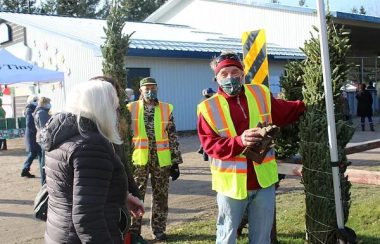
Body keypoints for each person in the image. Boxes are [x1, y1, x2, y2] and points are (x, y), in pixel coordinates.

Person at [197, 51, 305, 244]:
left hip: (263, 183)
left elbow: (282, 111)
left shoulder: (260, 93)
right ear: (216, 78)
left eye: (235, 72)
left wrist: (309, 104)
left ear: (243, 73)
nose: (230, 77)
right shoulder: (208, 108)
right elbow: (210, 145)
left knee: (262, 238)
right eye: (224, 73)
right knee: (227, 236)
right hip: (231, 186)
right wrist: (240, 141)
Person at [41, 79, 144, 243]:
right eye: (114, 106)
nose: (117, 113)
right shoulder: (91, 146)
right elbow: (87, 218)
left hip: (59, 233)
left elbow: (73, 191)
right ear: (102, 107)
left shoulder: (64, 136)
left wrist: (121, 196)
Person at [128, 77, 183, 241]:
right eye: (147, 89)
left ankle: (159, 230)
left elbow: (172, 135)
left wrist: (175, 162)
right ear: (141, 91)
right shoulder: (130, 108)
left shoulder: (166, 108)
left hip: (161, 160)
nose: (150, 91)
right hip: (138, 160)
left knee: (161, 196)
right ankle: (134, 232)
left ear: (157, 89)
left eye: (153, 88)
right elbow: (125, 136)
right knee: (136, 196)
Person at [21, 95, 41, 178]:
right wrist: (36, 131)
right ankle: (25, 169)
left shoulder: (30, 108)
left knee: (33, 153)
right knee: (34, 152)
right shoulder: (30, 109)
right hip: (32, 135)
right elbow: (30, 124)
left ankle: (25, 169)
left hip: (32, 134)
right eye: (36, 100)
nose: (37, 101)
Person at [33, 96, 51, 185]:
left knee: (42, 160)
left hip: (40, 138)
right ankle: (44, 182)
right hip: (43, 138)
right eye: (48, 102)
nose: (50, 105)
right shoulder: (42, 112)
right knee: (44, 161)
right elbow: (45, 127)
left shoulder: (39, 111)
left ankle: (44, 181)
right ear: (44, 103)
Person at [197, 88, 216, 161]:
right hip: (209, 122)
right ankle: (205, 153)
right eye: (212, 93)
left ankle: (202, 150)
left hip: (201, 122)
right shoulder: (210, 101)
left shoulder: (201, 102)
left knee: (205, 138)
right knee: (209, 138)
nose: (213, 94)